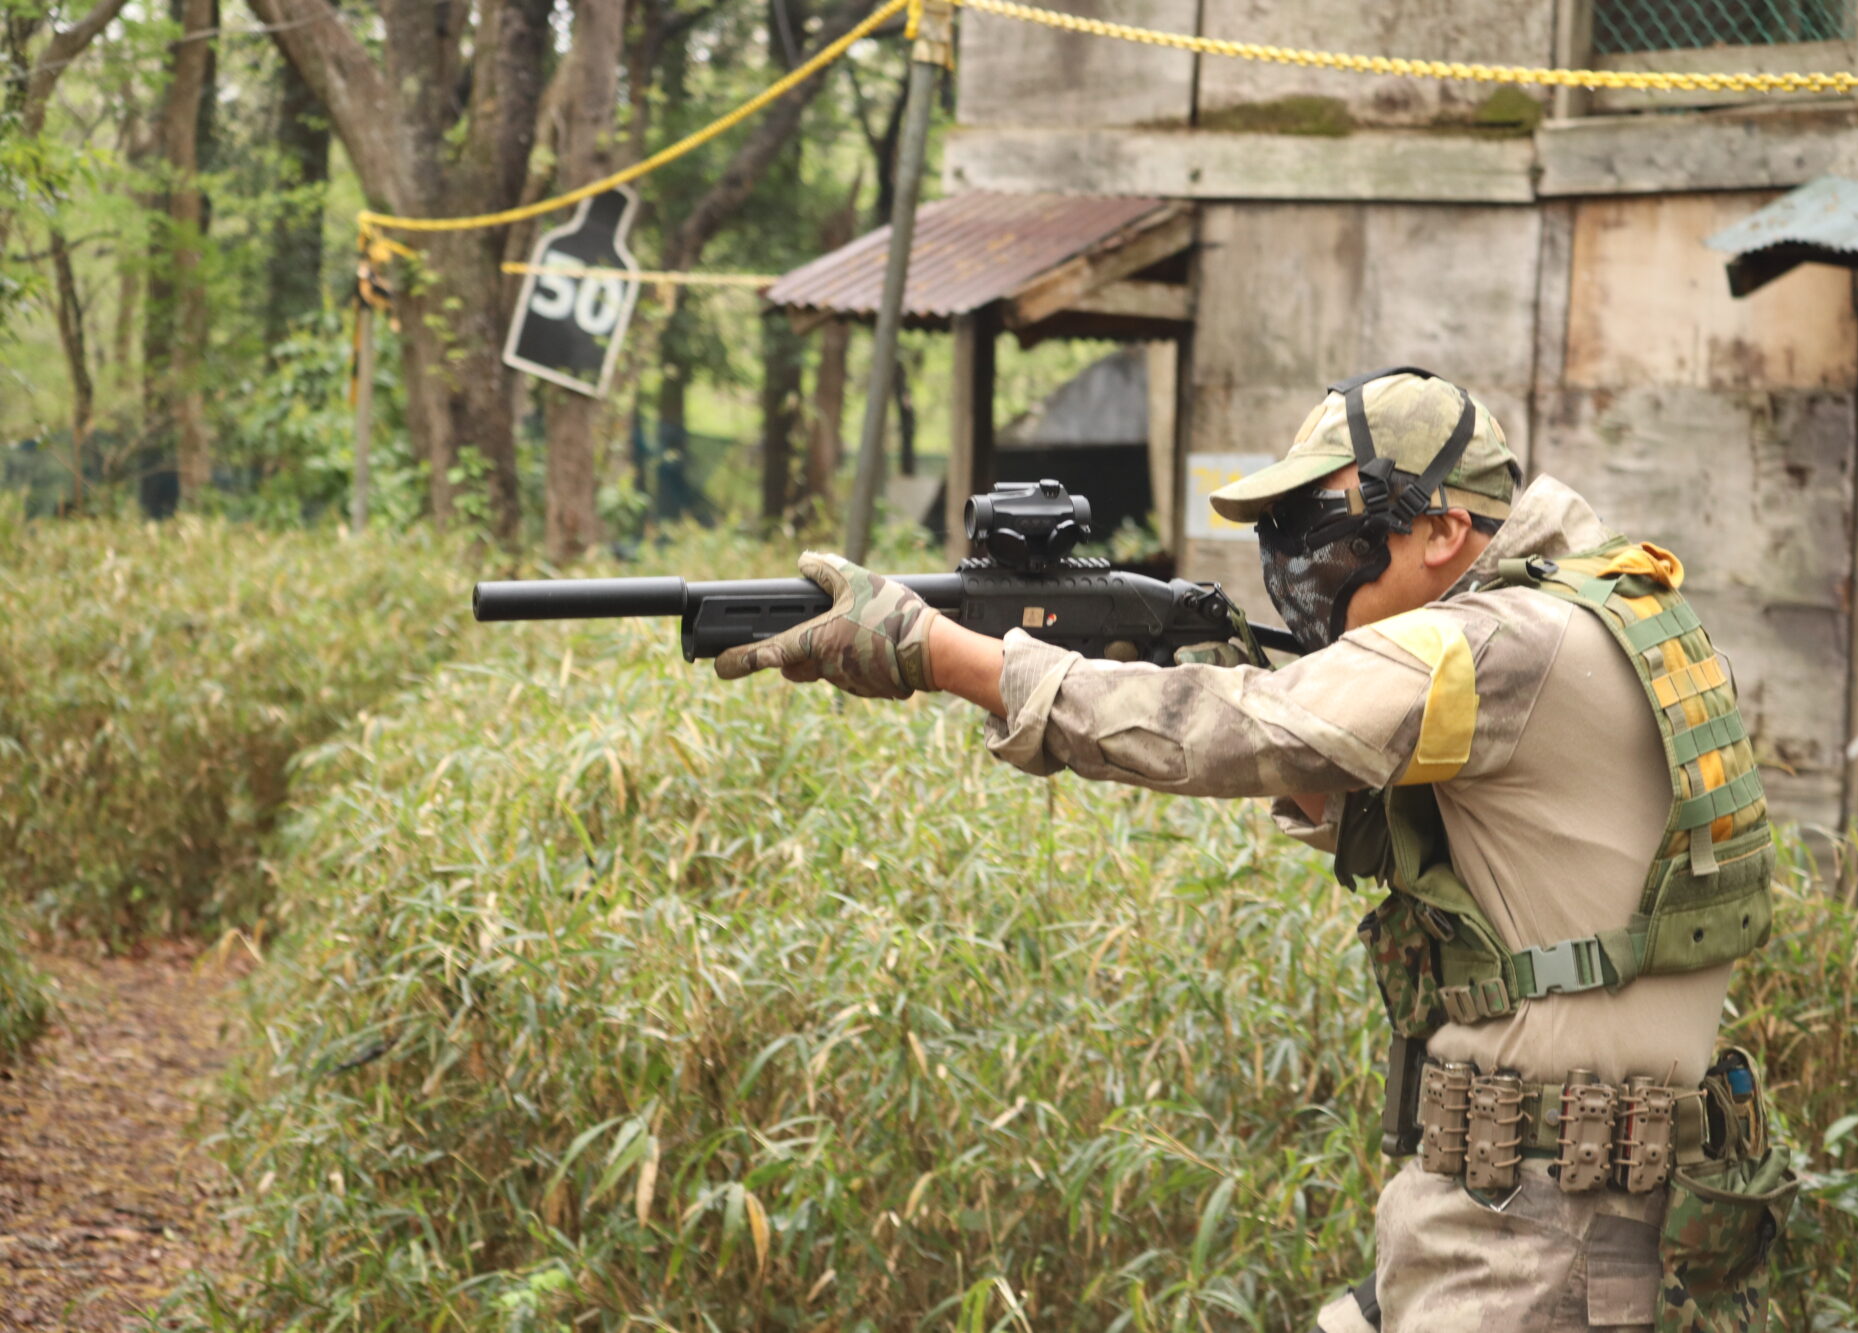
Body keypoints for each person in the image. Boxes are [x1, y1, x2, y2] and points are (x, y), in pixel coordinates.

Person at [715, 367, 1796, 1331]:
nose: (1302, 575)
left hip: (1542, 1238)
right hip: (1569, 1210)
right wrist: (1138, 659)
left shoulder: (1499, 646)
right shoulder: (1607, 614)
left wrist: (935, 650)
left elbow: (1243, 729)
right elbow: (1398, 802)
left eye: (1329, 541)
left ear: (1439, 530)